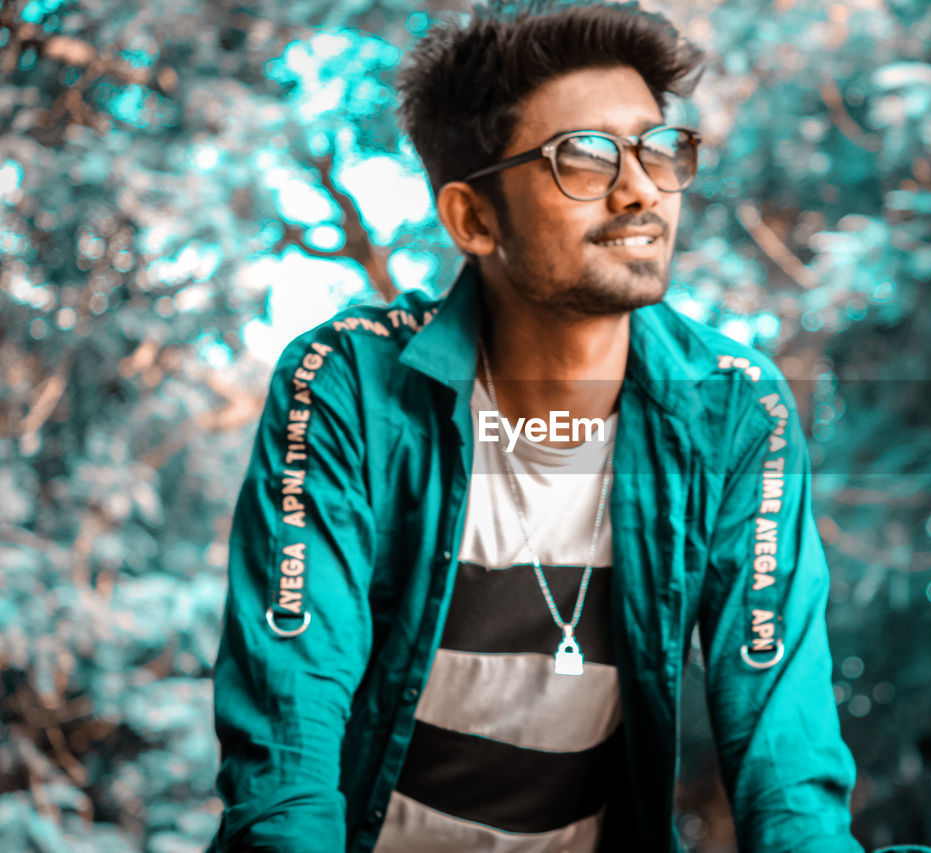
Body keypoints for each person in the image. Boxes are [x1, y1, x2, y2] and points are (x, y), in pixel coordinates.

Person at [208, 2, 863, 851]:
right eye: (582, 158)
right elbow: (285, 759)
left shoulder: (736, 411)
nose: (639, 189)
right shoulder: (350, 387)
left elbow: (788, 766)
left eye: (656, 148)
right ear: (474, 220)